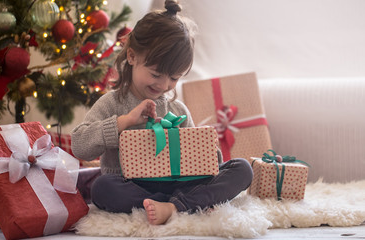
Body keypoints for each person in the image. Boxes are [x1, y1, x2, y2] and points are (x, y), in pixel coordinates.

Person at [71, 0, 253, 225]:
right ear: (132, 57)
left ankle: (174, 205)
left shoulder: (178, 109)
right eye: (156, 74)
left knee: (242, 169)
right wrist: (124, 122)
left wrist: (200, 149)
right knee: (102, 188)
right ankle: (184, 204)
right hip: (134, 186)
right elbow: (79, 145)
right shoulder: (112, 104)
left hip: (180, 183)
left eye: (174, 77)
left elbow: (206, 167)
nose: (165, 84)